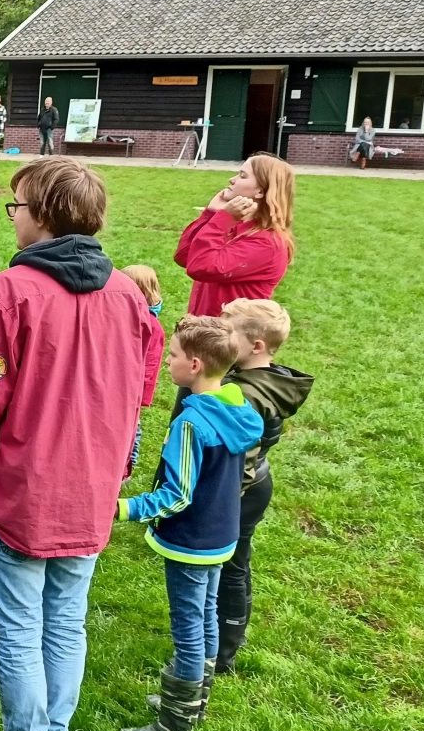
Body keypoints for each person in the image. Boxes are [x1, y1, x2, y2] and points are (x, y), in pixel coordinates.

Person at [0, 157, 156, 731]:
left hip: (26, 494)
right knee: (66, 621)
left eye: (18, 207)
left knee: (24, 626)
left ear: (46, 217)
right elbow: (139, 390)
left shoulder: (10, 292)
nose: (13, 218)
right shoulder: (128, 295)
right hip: (90, 490)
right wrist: (121, 465)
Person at [115, 315, 262, 731]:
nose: (168, 363)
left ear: (195, 365)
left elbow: (175, 495)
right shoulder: (238, 408)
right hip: (222, 535)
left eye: (174, 356)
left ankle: (173, 727)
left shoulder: (191, 423)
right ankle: (195, 700)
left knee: (188, 626)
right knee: (207, 614)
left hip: (191, 541)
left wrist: (122, 508)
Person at [215, 298, 312, 673]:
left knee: (231, 567)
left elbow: (245, 460)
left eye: (229, 333)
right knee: (236, 564)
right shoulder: (261, 378)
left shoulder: (248, 394)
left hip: (241, 491)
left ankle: (223, 652)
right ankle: (226, 643)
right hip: (255, 485)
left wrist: (218, 504)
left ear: (256, 346)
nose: (222, 339)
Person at [174, 154, 294, 316]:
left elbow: (200, 267)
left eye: (242, 176)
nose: (232, 179)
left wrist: (223, 219)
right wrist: (210, 214)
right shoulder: (235, 227)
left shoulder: (266, 243)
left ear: (260, 191)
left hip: (230, 337)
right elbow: (184, 256)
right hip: (205, 333)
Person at [117, 265, 167, 475]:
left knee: (132, 429)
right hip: (119, 386)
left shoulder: (151, 326)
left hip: (132, 392)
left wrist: (141, 395)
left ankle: (127, 468)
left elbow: (151, 364)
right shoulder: (123, 319)